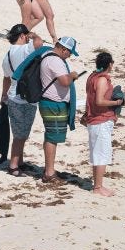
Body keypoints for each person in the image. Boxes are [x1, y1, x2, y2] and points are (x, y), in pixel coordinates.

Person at [37, 35, 83, 182]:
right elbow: (64, 81)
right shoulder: (55, 61)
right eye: (69, 53)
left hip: (50, 102)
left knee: (51, 135)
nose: (69, 56)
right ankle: (49, 173)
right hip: (53, 104)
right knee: (52, 137)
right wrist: (73, 76)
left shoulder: (46, 55)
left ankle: (49, 169)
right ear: (64, 49)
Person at [82, 50, 124, 196]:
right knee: (101, 154)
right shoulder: (101, 79)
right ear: (110, 64)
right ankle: (98, 188)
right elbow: (99, 101)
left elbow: (91, 99)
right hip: (100, 120)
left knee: (97, 154)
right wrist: (116, 102)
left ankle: (97, 185)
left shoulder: (92, 77)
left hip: (94, 120)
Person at [1, 23, 39, 175]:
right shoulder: (25, 48)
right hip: (26, 96)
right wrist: (34, 36)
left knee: (21, 133)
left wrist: (3, 95)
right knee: (20, 135)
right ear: (23, 36)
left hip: (13, 96)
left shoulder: (7, 55)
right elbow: (39, 43)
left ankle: (20, 161)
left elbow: (6, 78)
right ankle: (13, 165)